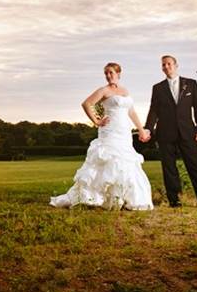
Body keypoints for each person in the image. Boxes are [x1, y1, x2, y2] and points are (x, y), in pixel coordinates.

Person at [50, 62, 153, 210]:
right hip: (109, 131)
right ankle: (98, 198)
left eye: (111, 72)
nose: (108, 76)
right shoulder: (104, 90)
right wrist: (97, 121)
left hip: (124, 132)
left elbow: (131, 112)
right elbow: (86, 104)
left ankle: (123, 198)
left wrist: (141, 130)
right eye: (106, 73)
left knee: (125, 162)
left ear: (118, 74)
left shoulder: (125, 90)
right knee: (108, 160)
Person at [142, 55, 197, 211]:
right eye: (163, 65)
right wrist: (148, 128)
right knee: (169, 167)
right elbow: (154, 111)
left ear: (176, 65)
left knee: (195, 166)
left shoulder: (191, 84)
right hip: (165, 133)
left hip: (188, 132)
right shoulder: (158, 88)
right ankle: (174, 200)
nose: (166, 66)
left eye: (169, 64)